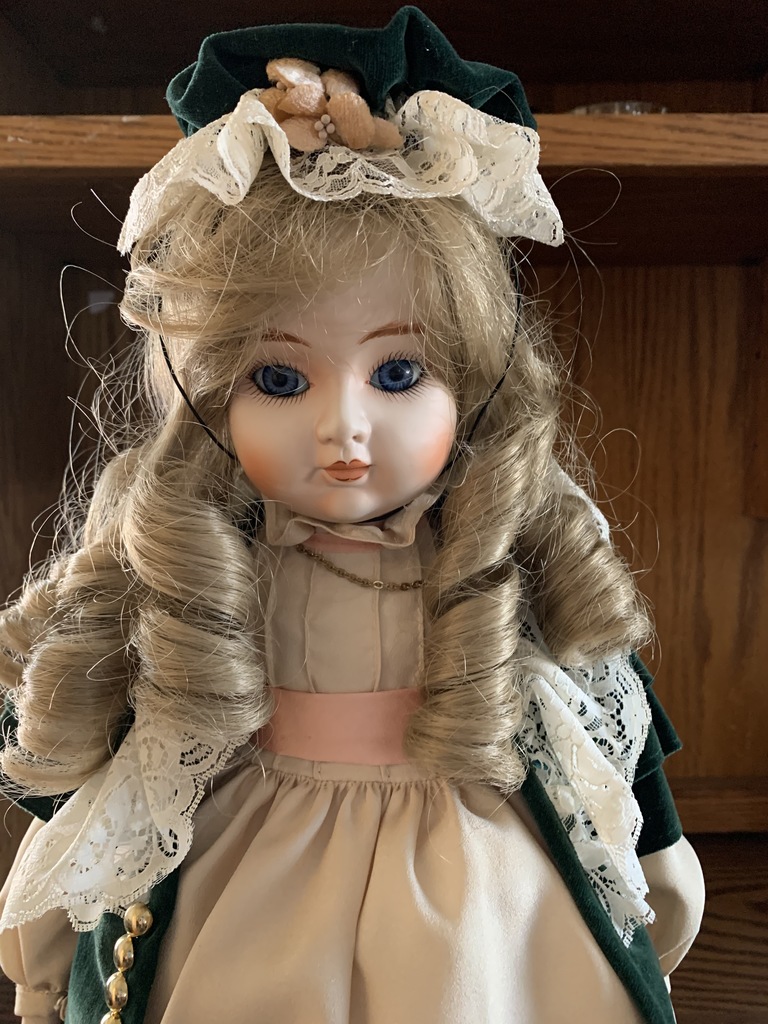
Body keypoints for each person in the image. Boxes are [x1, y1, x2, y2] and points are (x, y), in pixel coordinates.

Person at [0, 9, 704, 1024]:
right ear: (205, 394)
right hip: (250, 870)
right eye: (280, 378)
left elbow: (613, 730)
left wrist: (657, 879)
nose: (345, 429)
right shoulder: (208, 566)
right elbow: (93, 780)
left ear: (474, 378)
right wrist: (45, 951)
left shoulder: (498, 555)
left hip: (474, 877)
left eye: (399, 373)